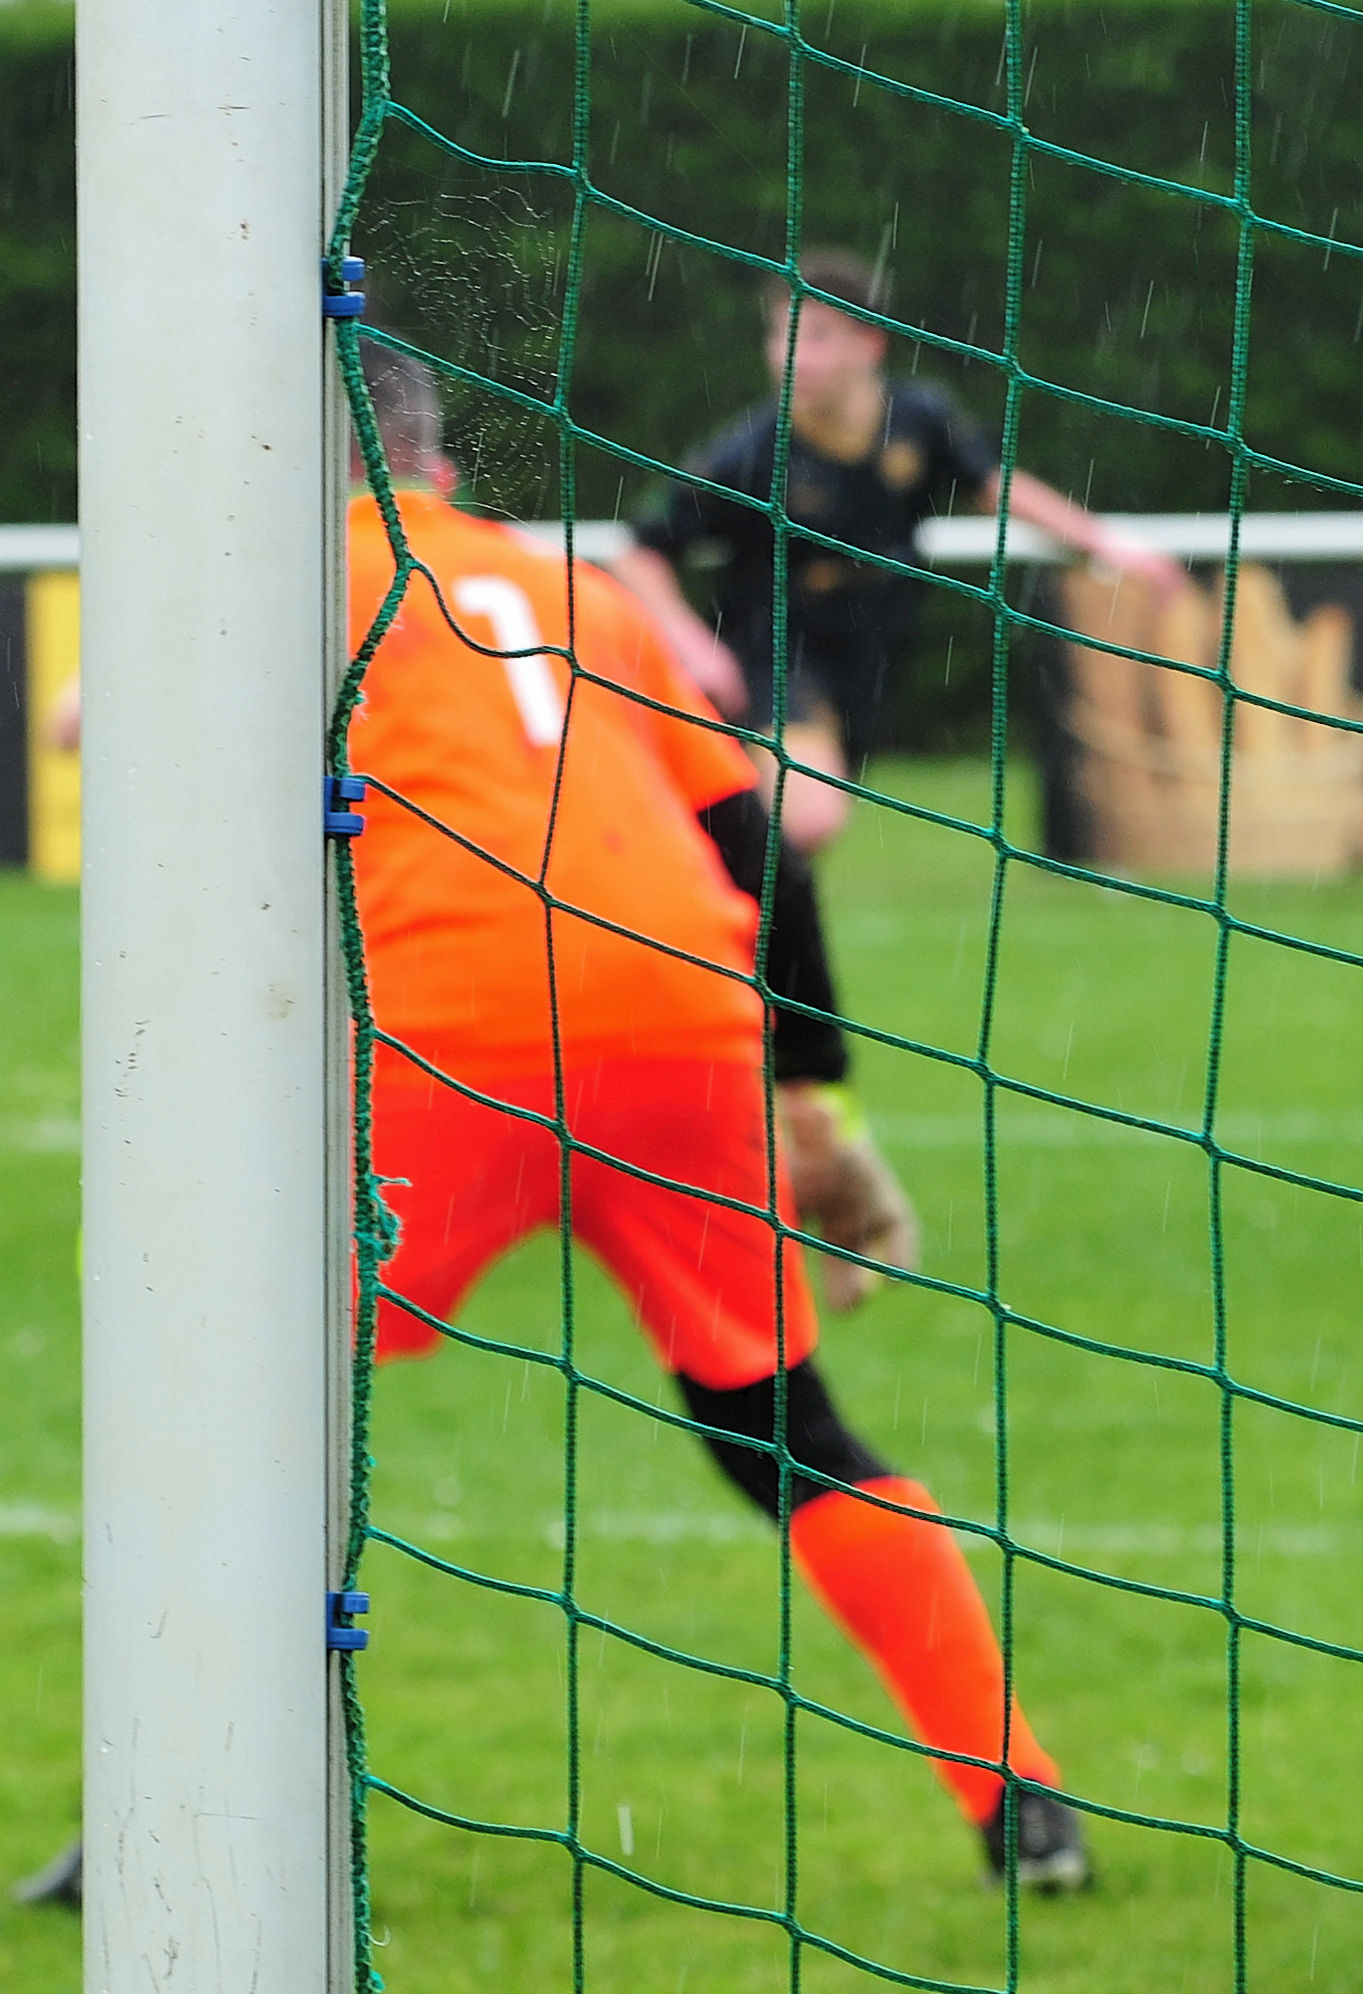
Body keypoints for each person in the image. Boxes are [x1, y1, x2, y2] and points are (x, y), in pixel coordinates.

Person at [347, 341, 1090, 1891]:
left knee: (244, 1415)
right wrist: (815, 1102)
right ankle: (1017, 1800)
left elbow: (81, 723)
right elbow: (761, 846)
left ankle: (153, 1806)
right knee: (782, 1432)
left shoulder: (284, 575)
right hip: (685, 1022)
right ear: (444, 467)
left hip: (454, 1034)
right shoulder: (578, 596)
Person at [612, 247, 1187, 852]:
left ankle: (720, 909)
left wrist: (1107, 545)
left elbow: (997, 486)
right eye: (781, 336)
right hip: (779, 653)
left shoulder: (921, 418)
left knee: (776, 843)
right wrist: (693, 646)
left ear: (870, 345)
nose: (790, 358)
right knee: (803, 817)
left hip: (870, 656)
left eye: (817, 339)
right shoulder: (748, 453)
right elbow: (638, 551)